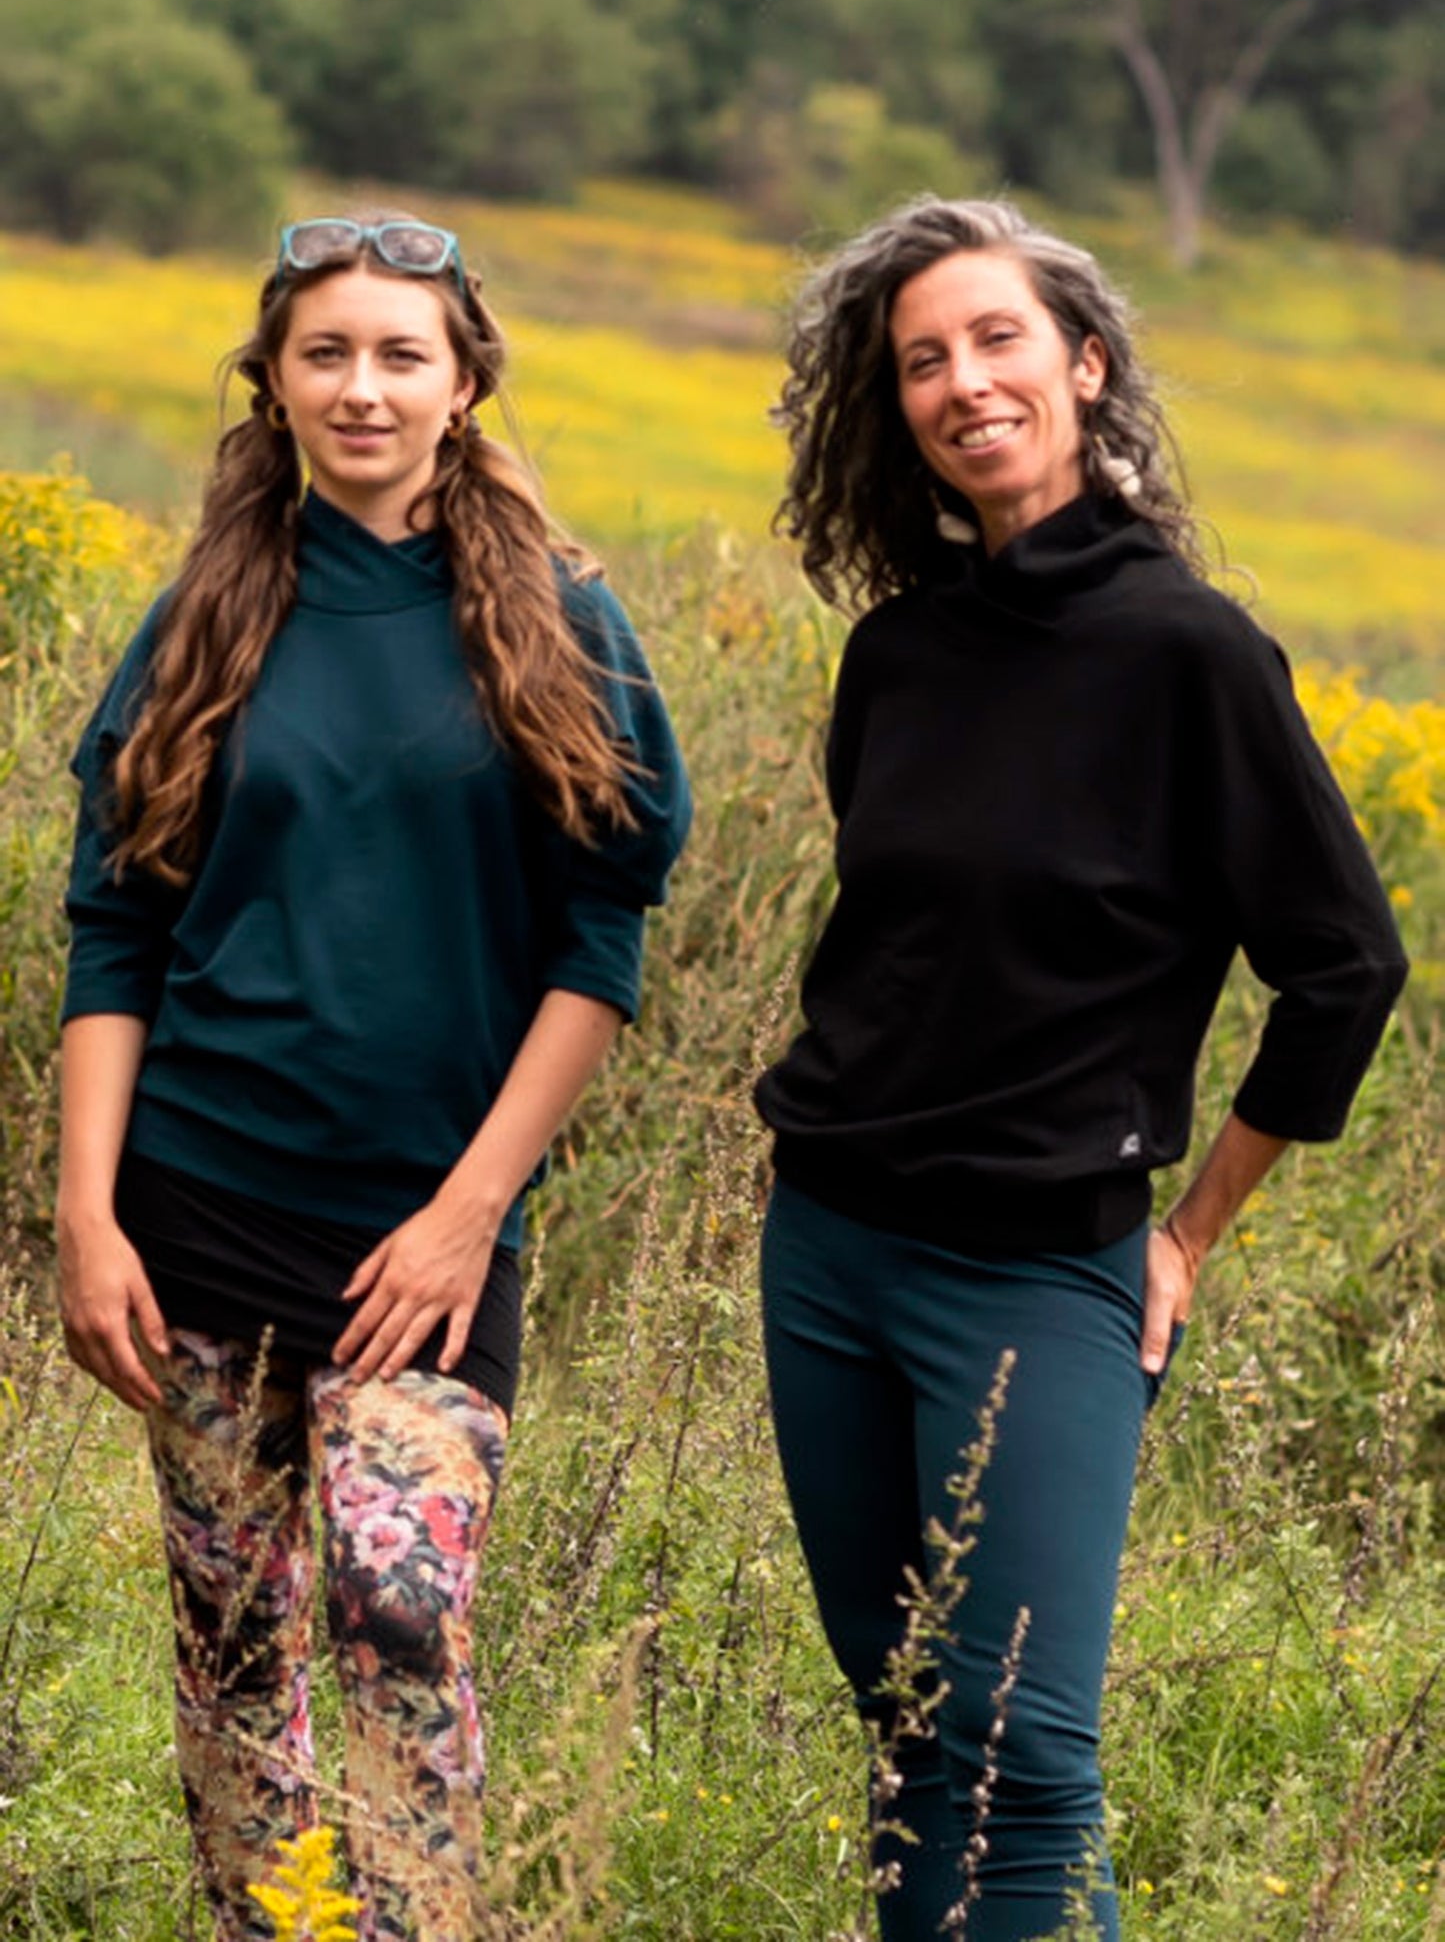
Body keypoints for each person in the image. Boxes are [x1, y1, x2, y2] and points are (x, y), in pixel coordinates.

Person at [753, 198, 1408, 1942]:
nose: (964, 382)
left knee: (1025, 1754)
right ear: (892, 410)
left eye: (997, 340)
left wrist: (1186, 1231)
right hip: (826, 1245)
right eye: (921, 361)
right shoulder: (896, 656)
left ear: (1083, 365)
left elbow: (1344, 964)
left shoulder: (1186, 652)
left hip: (1045, 1268)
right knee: (911, 1733)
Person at [54, 215, 691, 1942]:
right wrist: (84, 1214)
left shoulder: (561, 622)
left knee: (400, 1613)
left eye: (402, 352)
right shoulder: (209, 616)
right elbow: (114, 928)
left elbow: (602, 942)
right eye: (325, 351)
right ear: (271, 382)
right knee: (233, 1645)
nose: (362, 384)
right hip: (192, 1209)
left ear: (465, 382)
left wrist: (468, 1216)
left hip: (424, 1234)